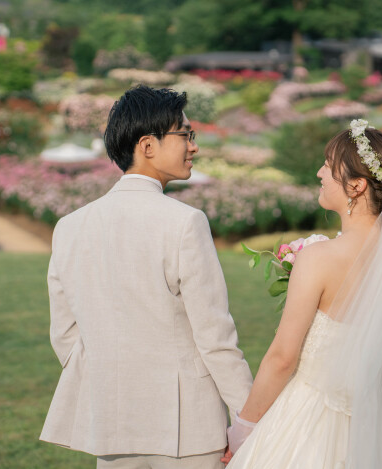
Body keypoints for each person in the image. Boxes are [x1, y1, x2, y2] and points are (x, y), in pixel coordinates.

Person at [40, 85, 253, 469]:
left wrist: (104, 384)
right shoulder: (185, 222)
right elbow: (215, 338)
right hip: (187, 426)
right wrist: (248, 421)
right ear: (148, 145)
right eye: (185, 135)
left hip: (110, 423)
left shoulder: (69, 227)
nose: (194, 146)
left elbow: (65, 335)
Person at [224, 119, 382, 468]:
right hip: (377, 427)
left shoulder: (319, 258)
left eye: (328, 166)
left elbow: (282, 358)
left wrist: (245, 430)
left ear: (356, 186)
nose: (319, 172)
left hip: (305, 425)